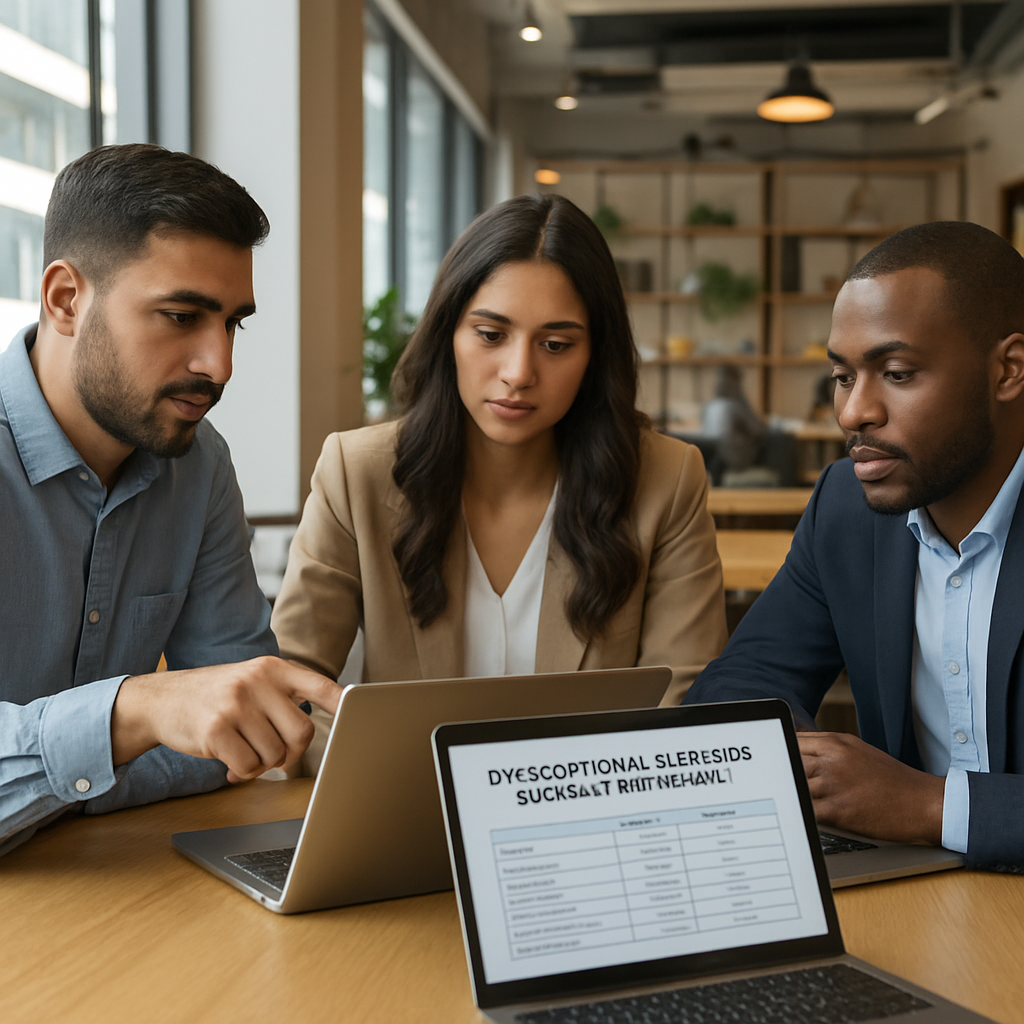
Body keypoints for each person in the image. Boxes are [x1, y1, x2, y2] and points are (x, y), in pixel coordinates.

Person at [271, 193, 728, 769]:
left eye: (556, 345)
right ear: (449, 336)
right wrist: (371, 774)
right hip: (408, 818)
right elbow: (288, 694)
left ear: (595, 356)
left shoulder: (666, 480)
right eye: (490, 335)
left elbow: (682, 711)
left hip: (585, 829)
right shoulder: (355, 472)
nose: (518, 374)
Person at [0, 144, 339, 855]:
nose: (219, 364)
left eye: (232, 322)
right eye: (181, 315)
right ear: (66, 300)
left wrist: (63, 780)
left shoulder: (200, 464)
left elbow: (245, 740)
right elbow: (188, 728)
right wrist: (135, 712)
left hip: (102, 893)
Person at [685, 220, 1024, 873]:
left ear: (1008, 369)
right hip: (914, 903)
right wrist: (798, 761)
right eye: (843, 376)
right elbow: (744, 681)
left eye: (896, 373)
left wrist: (929, 806)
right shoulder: (847, 506)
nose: (852, 413)